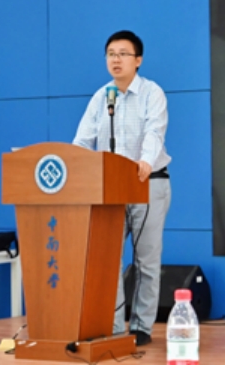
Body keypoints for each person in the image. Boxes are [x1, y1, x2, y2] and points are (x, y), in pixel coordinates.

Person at [73, 30, 171, 347]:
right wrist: (73, 165)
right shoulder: (101, 97)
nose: (116, 60)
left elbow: (155, 132)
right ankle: (113, 327)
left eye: (123, 54)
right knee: (107, 259)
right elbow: (82, 141)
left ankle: (141, 327)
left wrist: (144, 161)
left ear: (138, 60)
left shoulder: (152, 93)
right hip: (108, 190)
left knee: (146, 261)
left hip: (147, 183)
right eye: (111, 54)